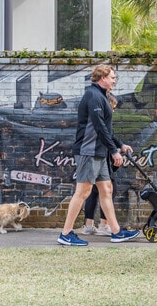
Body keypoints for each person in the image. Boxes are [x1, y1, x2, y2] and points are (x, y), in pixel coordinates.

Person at [57, 64, 140, 246]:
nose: (114, 80)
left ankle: (116, 232)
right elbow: (98, 126)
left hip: (99, 152)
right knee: (83, 191)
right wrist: (114, 151)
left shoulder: (102, 96)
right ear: (102, 77)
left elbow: (107, 129)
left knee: (107, 189)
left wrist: (120, 145)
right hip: (89, 152)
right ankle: (66, 233)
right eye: (112, 77)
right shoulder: (93, 96)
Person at [81, 93, 119, 236]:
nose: (113, 111)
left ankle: (89, 225)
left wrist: (120, 145)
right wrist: (116, 150)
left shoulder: (95, 118)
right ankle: (103, 224)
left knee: (92, 191)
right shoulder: (100, 120)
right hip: (99, 156)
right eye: (112, 108)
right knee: (109, 190)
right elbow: (108, 136)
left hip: (94, 156)